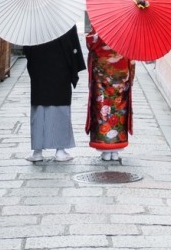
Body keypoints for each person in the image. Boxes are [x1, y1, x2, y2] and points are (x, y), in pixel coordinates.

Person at [23, 25, 86, 163]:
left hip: (39, 66)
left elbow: (26, 47)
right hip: (60, 66)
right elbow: (72, 43)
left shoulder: (33, 19)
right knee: (59, 106)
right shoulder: (64, 18)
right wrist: (74, 66)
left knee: (39, 106)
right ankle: (60, 150)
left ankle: (37, 151)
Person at [85, 29, 135, 163]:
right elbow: (132, 55)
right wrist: (130, 77)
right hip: (121, 77)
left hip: (102, 77)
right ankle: (115, 150)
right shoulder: (127, 28)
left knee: (103, 107)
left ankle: (105, 148)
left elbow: (91, 43)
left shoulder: (101, 26)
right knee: (119, 109)